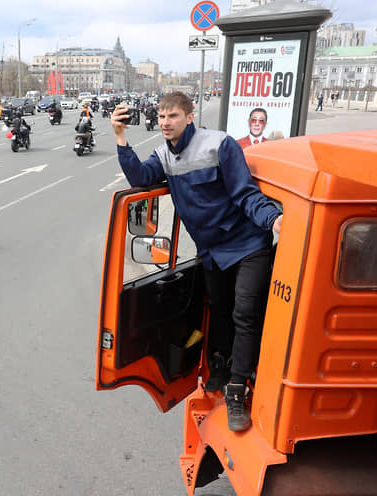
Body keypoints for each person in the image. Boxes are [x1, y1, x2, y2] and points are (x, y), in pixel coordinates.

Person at [112, 91, 283, 432]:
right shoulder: (164, 154)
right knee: (218, 311)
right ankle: (220, 366)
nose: (164, 123)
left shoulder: (219, 145)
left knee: (245, 313)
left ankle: (236, 392)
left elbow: (245, 193)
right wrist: (120, 137)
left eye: (172, 116)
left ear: (189, 117)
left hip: (248, 245)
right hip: (211, 252)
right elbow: (141, 179)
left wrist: (273, 220)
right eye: (161, 117)